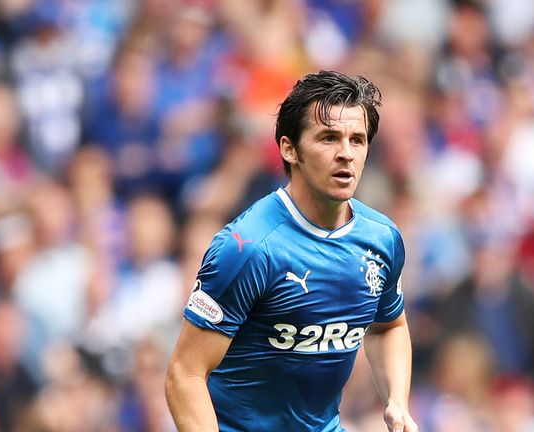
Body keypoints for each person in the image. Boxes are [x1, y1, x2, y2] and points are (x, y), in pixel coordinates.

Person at [165, 70, 417, 432]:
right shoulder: (248, 249)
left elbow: (388, 326)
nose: (346, 153)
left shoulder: (382, 238)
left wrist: (397, 402)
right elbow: (184, 376)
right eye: (329, 138)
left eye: (357, 140)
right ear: (289, 148)